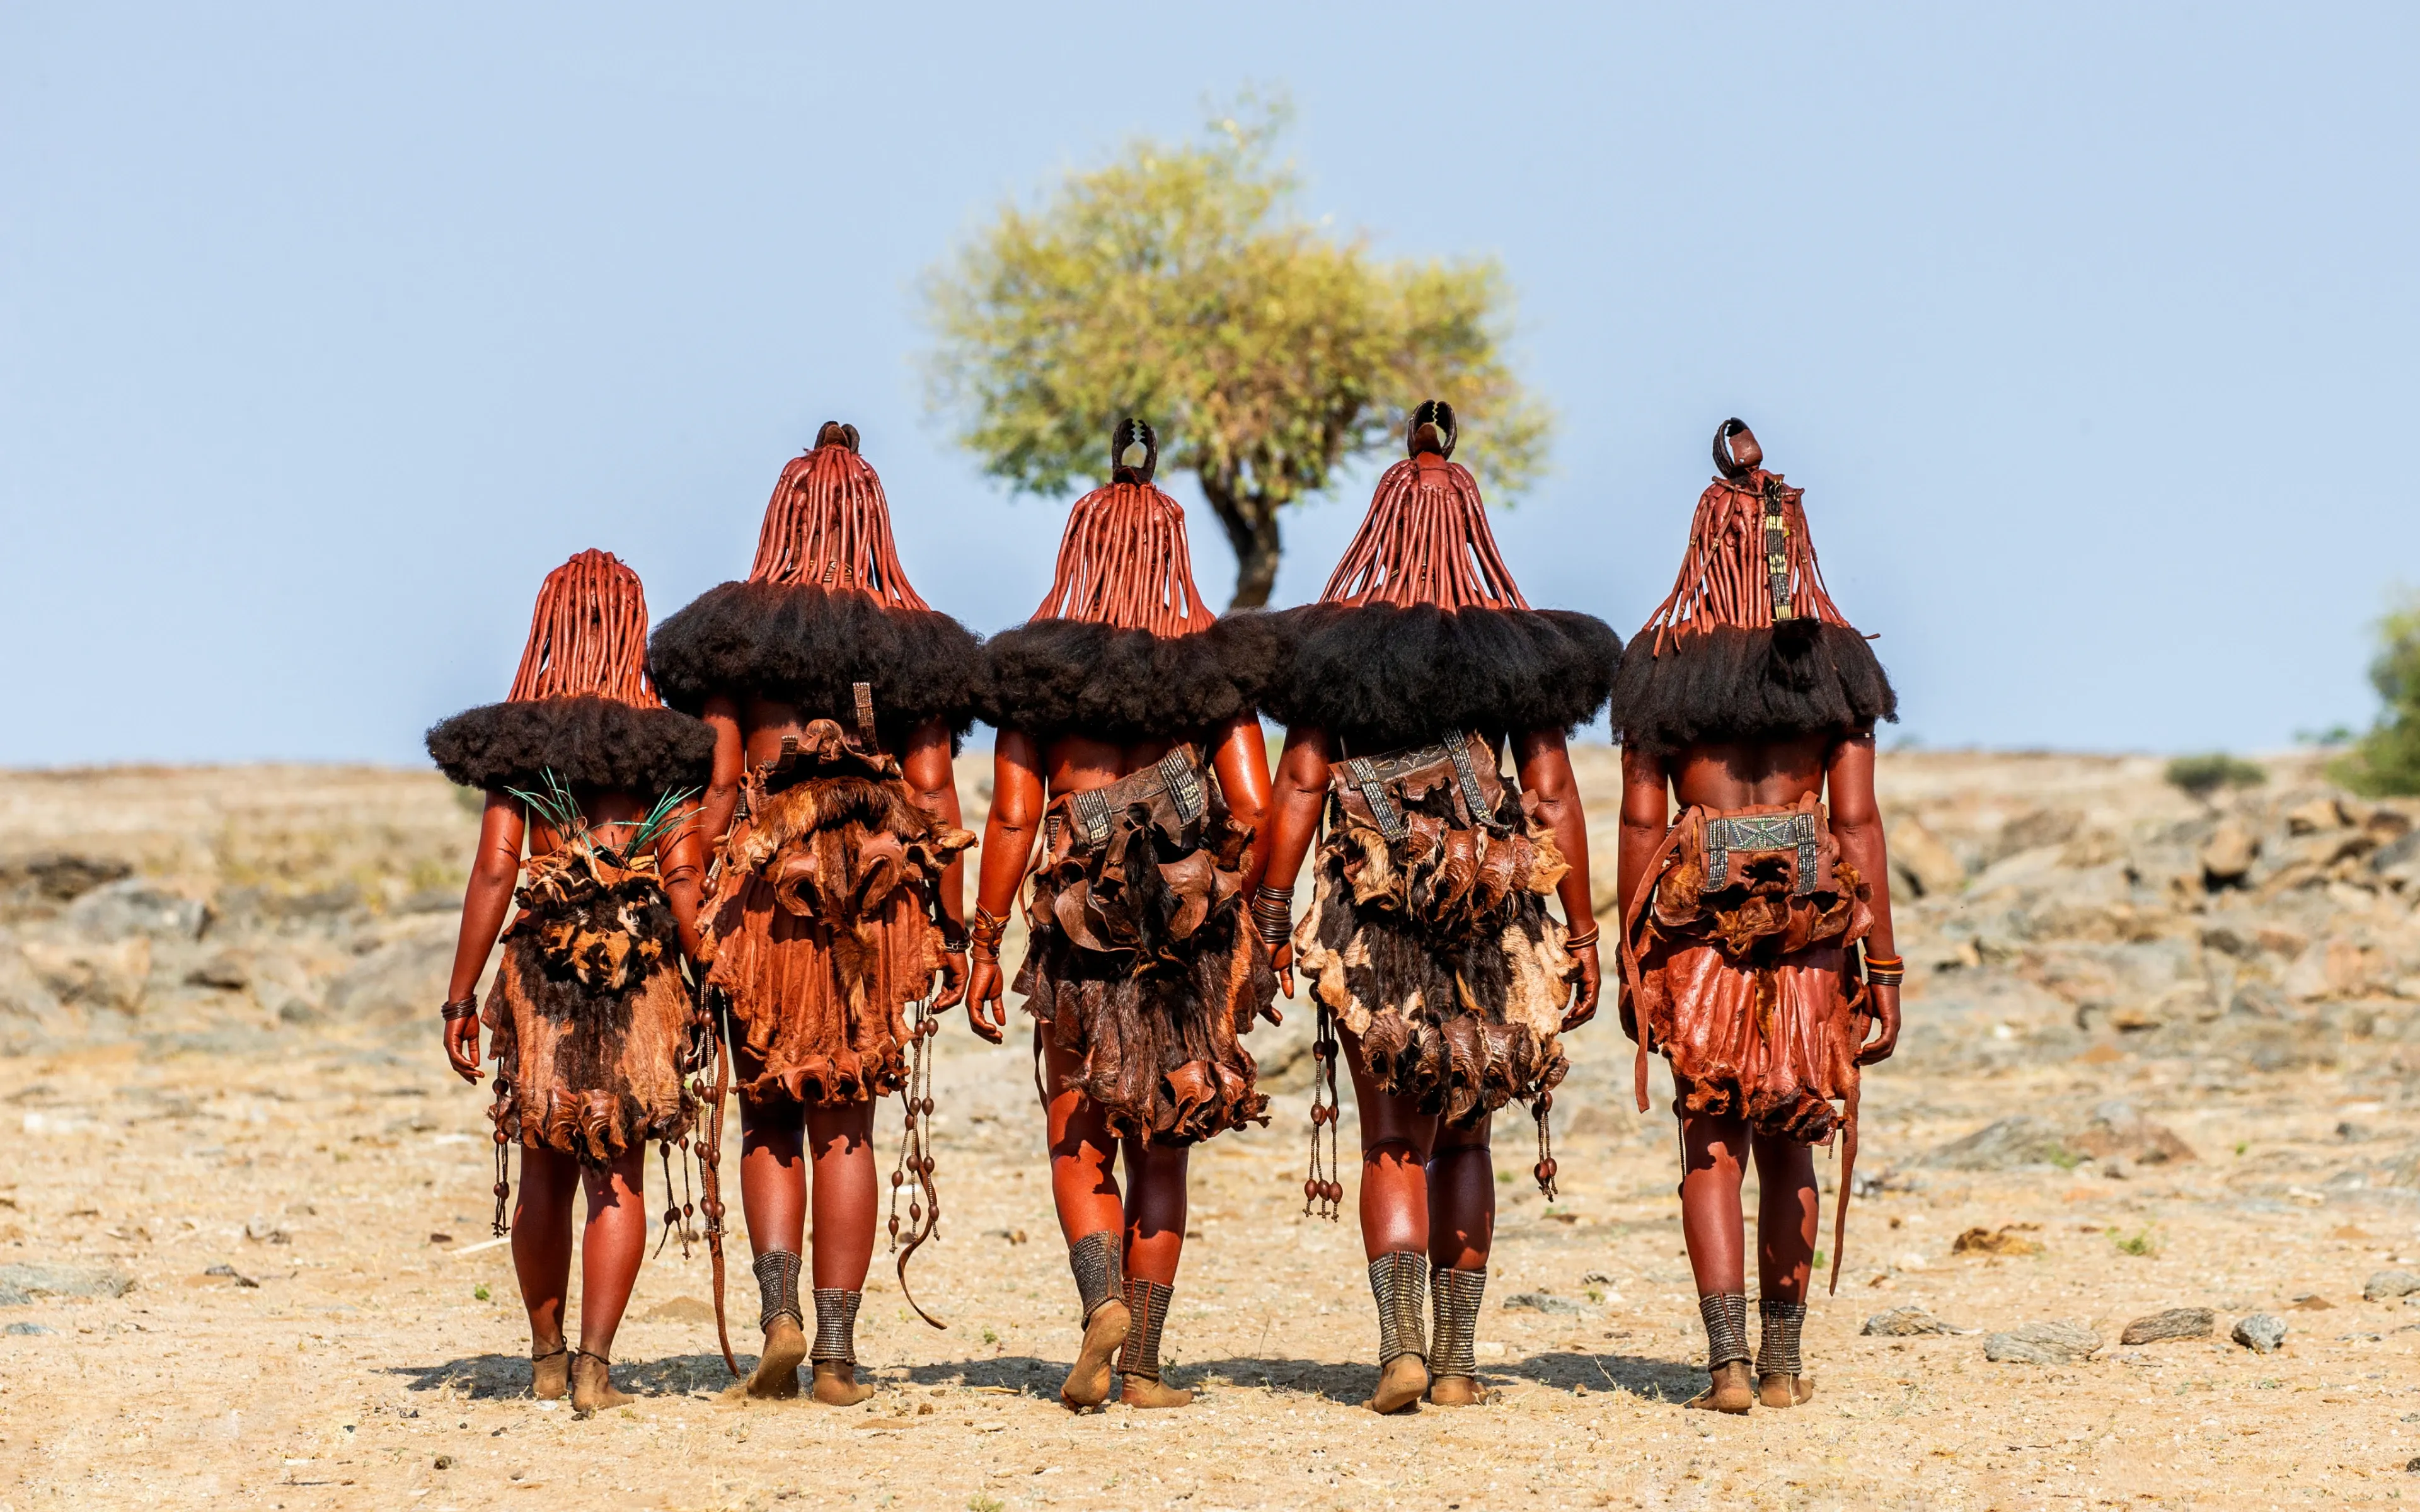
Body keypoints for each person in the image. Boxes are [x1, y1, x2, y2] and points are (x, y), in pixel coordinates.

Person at [1255, 401, 1618, 1412]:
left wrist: (1269, 916)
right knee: (1468, 1131)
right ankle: (1457, 1367)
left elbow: (1296, 790)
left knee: (1391, 1139)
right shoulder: (1518, 653)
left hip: (1369, 923)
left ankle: (1401, 1351)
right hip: (1493, 926)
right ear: (1471, 528)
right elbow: (1550, 795)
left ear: (1379, 526)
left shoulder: (1329, 652)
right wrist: (1583, 934)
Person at [647, 423, 982, 1405]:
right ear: (875, 521)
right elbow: (938, 802)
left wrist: (693, 920)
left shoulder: (733, 644)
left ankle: (778, 1319)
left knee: (767, 1118)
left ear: (782, 518)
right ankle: (836, 1355)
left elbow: (712, 799)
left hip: (762, 902)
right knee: (849, 1126)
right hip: (875, 912)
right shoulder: (917, 650)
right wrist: (956, 935)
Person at [966, 419, 1281, 1410]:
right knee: (1165, 1138)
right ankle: (1142, 1363)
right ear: (1174, 551)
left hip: (1073, 926)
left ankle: (1099, 1299)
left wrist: (982, 945)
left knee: (1078, 1129)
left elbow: (1015, 816)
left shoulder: (1035, 675)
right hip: (1190, 930)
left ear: (1080, 548)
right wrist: (1249, 922)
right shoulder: (1213, 670)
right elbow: (1262, 808)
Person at [1610, 418, 1902, 1412]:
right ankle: (1783, 1367)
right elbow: (1856, 823)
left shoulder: (1657, 662)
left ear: (1704, 542)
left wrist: (1629, 959)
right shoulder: (1837, 666)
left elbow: (1642, 821)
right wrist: (1888, 970)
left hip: (1696, 922)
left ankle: (1726, 1365)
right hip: (1815, 922)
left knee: (1712, 1138)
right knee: (1793, 1132)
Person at [429, 549, 717, 1414]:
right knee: (616, 1167)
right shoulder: (669, 746)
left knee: (543, 1168)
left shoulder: (521, 745)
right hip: (640, 973)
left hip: (539, 975)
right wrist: (707, 984)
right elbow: (684, 881)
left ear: (547, 627)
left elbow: (493, 873)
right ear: (634, 629)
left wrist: (458, 998)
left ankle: (547, 1358)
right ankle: (597, 1368)